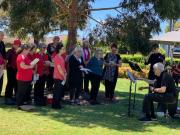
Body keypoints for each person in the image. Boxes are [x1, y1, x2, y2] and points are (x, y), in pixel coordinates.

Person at [5, 39, 21, 105]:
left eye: (19, 44)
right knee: (10, 83)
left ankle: (15, 97)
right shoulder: (10, 51)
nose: (17, 45)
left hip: (17, 70)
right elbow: (6, 59)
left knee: (16, 83)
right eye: (16, 44)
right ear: (13, 44)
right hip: (10, 69)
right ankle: (8, 98)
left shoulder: (20, 52)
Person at [52, 45, 66, 109]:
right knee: (57, 91)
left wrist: (65, 72)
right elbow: (59, 68)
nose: (64, 50)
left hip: (62, 76)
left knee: (59, 91)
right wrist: (64, 76)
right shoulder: (56, 57)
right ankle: (55, 105)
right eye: (63, 49)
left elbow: (63, 67)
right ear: (59, 50)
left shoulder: (61, 57)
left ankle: (58, 104)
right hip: (58, 77)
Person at [0, 31, 6, 96]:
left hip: (2, 64)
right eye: (2, 35)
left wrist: (4, 63)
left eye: (3, 36)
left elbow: (4, 54)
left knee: (1, 79)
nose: (3, 37)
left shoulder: (2, 43)